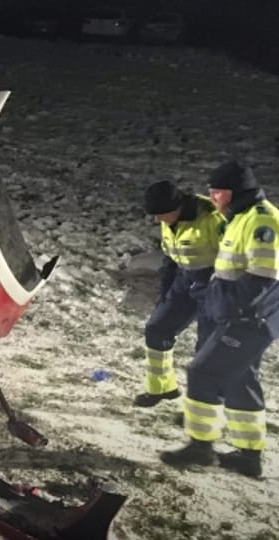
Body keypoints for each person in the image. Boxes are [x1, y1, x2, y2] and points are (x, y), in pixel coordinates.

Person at [160, 160, 277, 478]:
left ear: (236, 192)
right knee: (240, 377)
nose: (212, 198)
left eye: (218, 192)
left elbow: (264, 277)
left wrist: (234, 311)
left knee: (202, 371)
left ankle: (200, 445)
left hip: (249, 319)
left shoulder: (262, 221)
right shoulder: (240, 217)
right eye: (210, 192)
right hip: (243, 315)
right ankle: (249, 455)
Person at [135, 181, 224, 407]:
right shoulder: (169, 216)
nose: (157, 220)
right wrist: (165, 293)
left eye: (161, 214)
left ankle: (206, 406)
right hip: (184, 279)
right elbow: (171, 258)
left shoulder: (213, 218)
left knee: (207, 348)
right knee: (157, 329)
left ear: (177, 207)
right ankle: (162, 388)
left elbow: (236, 257)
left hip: (215, 284)